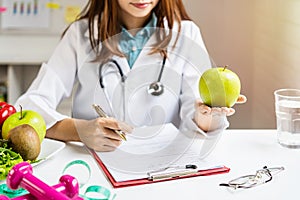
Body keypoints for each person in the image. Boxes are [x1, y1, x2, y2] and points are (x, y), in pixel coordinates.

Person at [15, 0, 246, 152]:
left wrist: (207, 115)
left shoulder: (185, 33)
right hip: (92, 163)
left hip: (162, 169)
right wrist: (80, 130)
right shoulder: (81, 34)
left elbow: (194, 112)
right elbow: (29, 106)